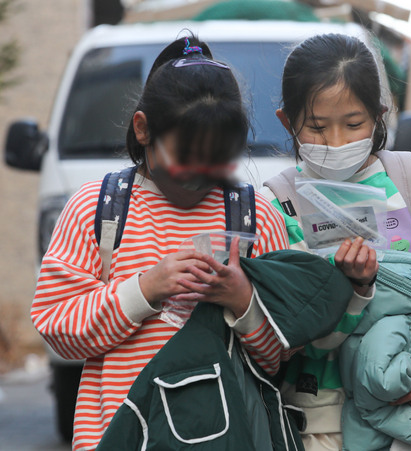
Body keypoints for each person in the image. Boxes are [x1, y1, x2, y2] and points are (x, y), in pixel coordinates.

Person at [30, 36, 292, 450]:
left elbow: (281, 358)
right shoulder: (96, 209)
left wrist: (242, 301)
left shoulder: (255, 216)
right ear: (143, 129)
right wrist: (145, 289)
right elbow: (57, 326)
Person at [260, 33, 411, 450]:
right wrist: (352, 290)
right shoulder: (278, 202)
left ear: (379, 115)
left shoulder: (409, 178)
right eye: (316, 127)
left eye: (353, 125)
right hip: (318, 419)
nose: (336, 142)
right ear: (287, 121)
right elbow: (287, 329)